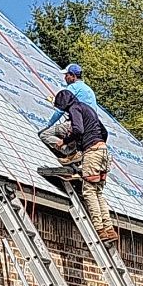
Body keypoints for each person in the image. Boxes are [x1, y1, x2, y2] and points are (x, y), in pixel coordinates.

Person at [43, 89, 118, 243]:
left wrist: (64, 142)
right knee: (98, 191)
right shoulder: (88, 108)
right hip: (103, 152)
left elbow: (78, 129)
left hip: (93, 153)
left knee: (89, 191)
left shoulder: (75, 108)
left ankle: (100, 230)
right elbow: (104, 132)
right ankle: (109, 229)